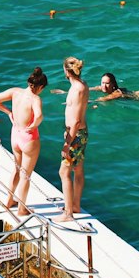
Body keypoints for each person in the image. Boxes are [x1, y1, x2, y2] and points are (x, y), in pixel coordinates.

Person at [0, 69, 46, 218]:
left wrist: (9, 113)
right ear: (40, 87)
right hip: (28, 138)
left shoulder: (15, 92)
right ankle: (22, 208)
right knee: (25, 175)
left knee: (16, 169)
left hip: (15, 135)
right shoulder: (35, 99)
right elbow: (39, 115)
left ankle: (9, 201)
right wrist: (34, 125)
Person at [58, 56, 89, 223]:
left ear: (66, 71)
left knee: (64, 172)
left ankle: (68, 213)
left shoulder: (77, 89)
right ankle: (75, 205)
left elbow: (76, 119)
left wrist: (67, 143)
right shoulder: (82, 85)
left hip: (75, 135)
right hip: (80, 133)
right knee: (78, 169)